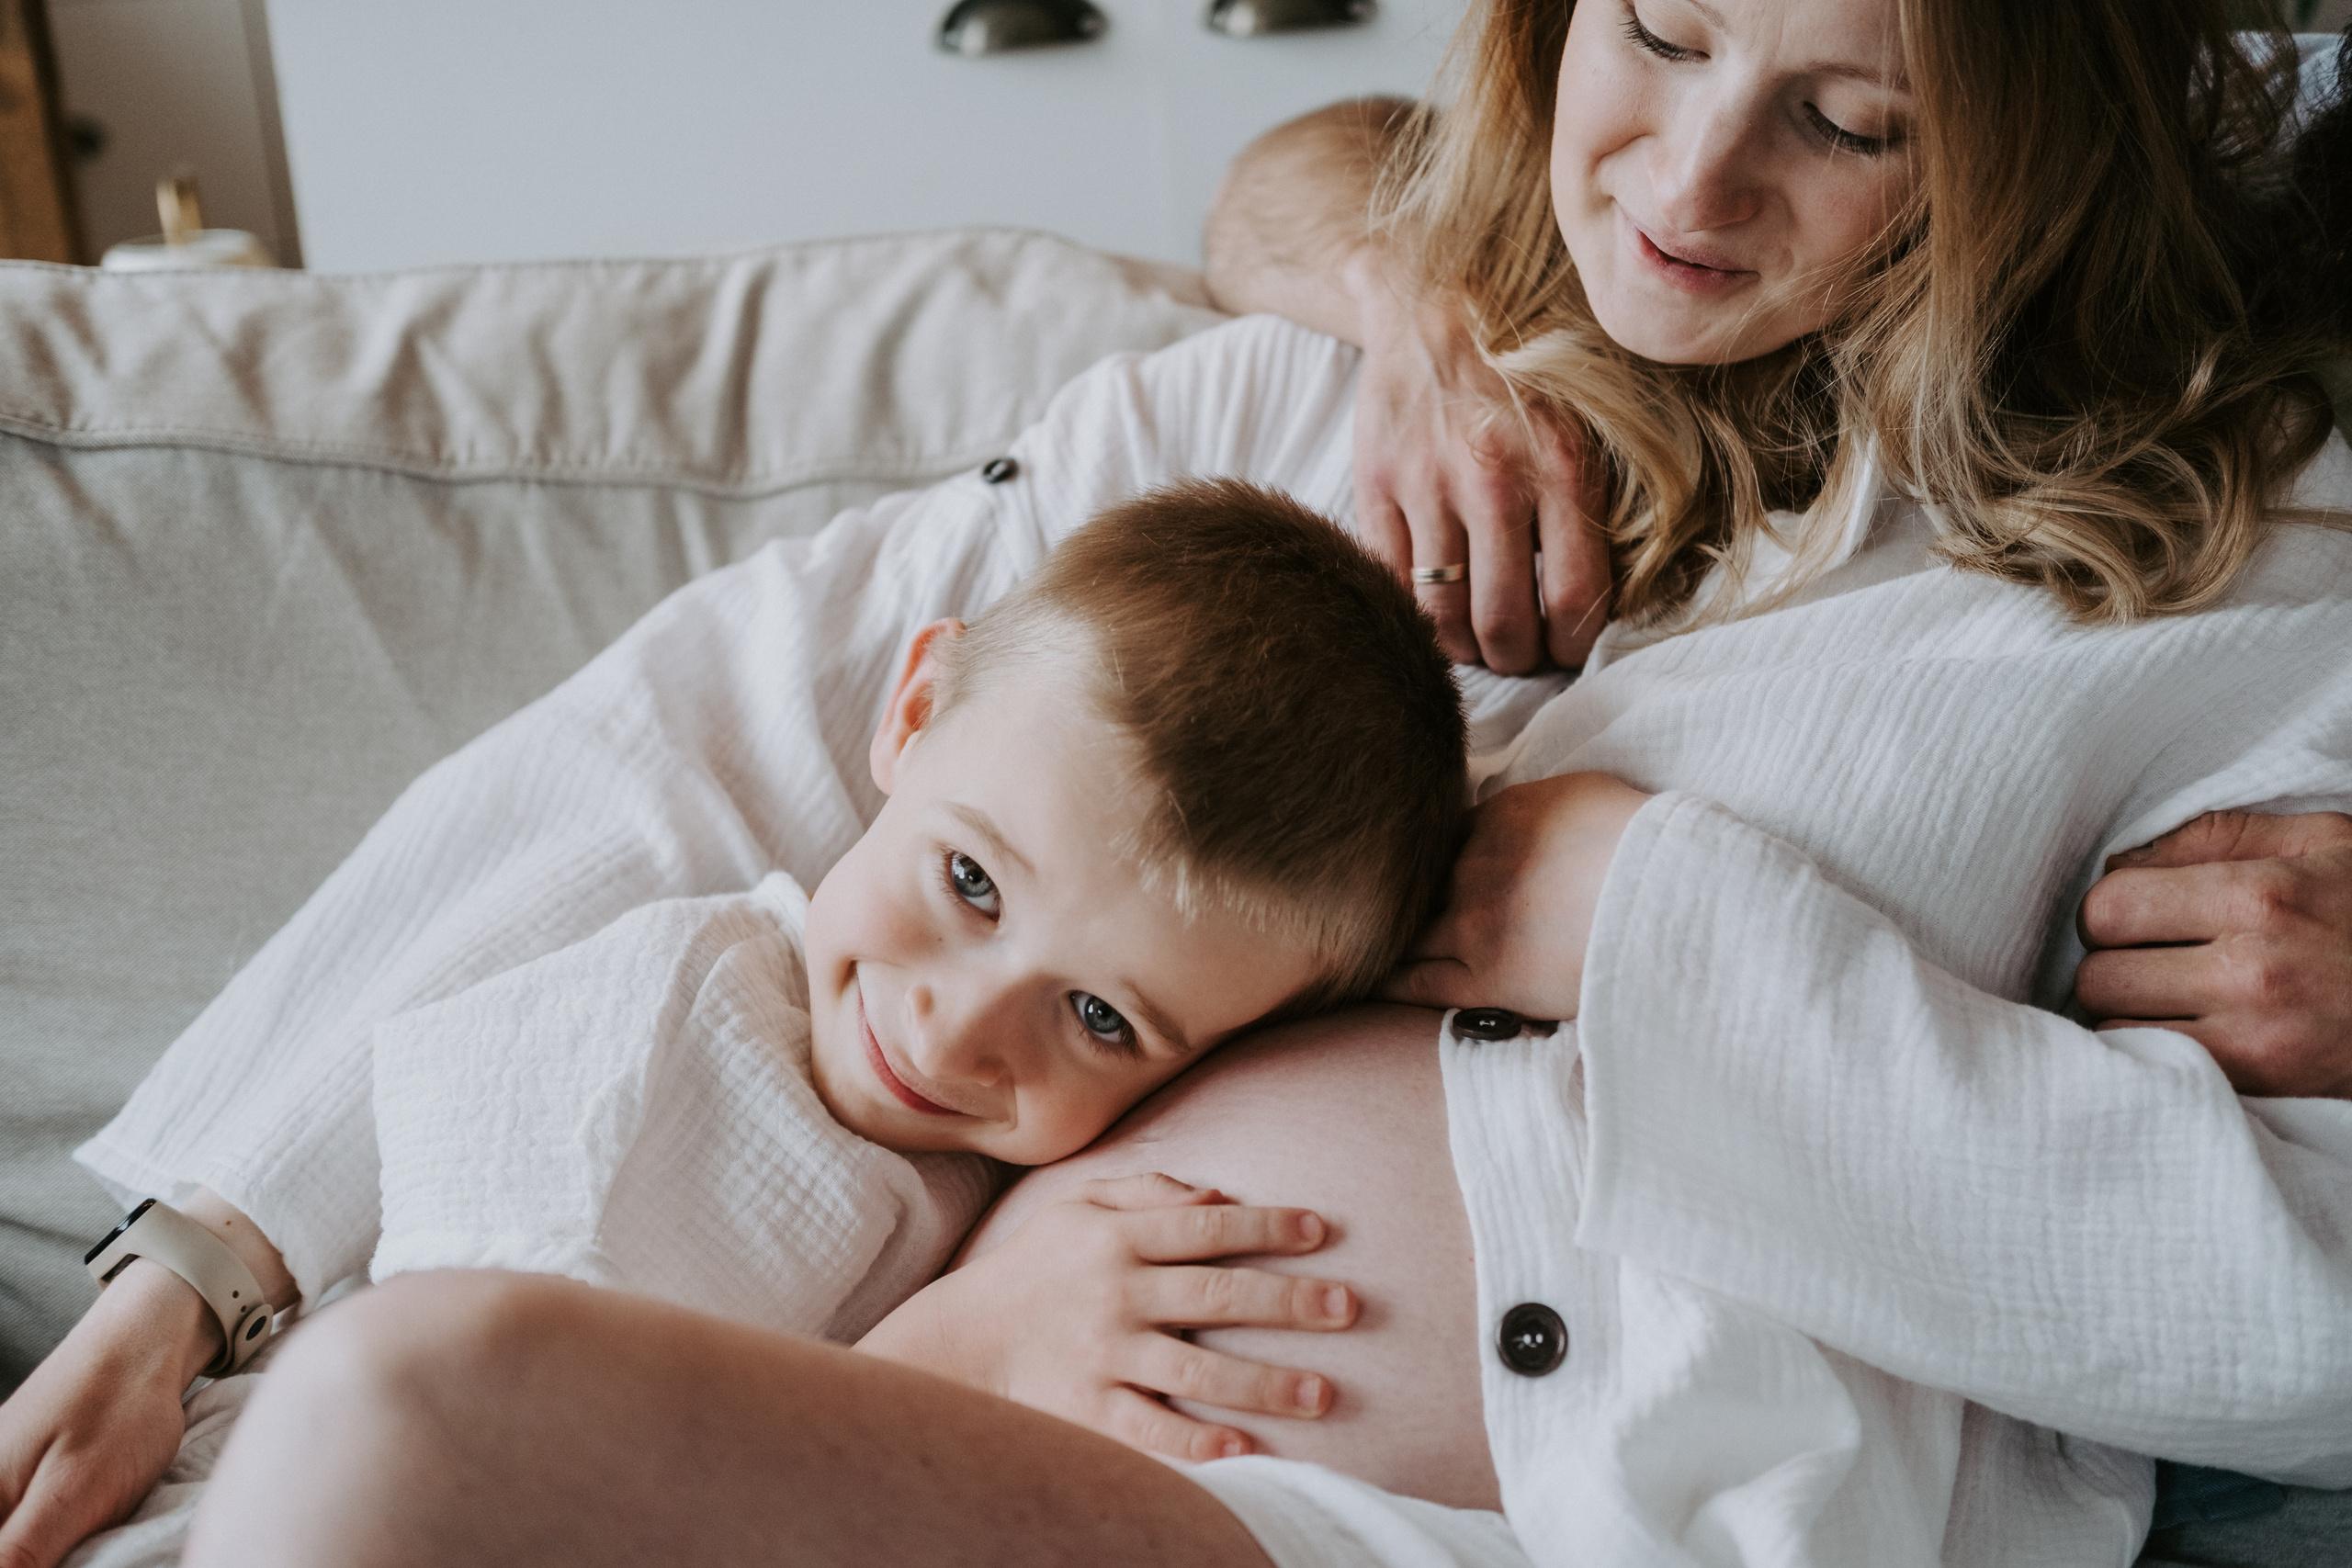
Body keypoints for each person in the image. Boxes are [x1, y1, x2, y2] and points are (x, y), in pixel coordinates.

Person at [4, 2, 2350, 1566]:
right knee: (370, 1418)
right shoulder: (1298, 400)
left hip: (1513, 1513)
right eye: (1656, 25)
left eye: (1850, 122)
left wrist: (1654, 933)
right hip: (896, 1416)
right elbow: (696, 727)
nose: (1692, 178)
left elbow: (2289, 1322)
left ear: (2033, 166)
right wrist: (212, 1250)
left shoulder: (2202, 595)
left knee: (419, 1416)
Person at [0, 480, 1471, 1562]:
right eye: (968, 880)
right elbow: (512, 1440)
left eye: (1099, 1016)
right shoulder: (678, 1010)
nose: (958, 1034)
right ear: (913, 711)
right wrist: (958, 1353)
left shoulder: (977, 1173)